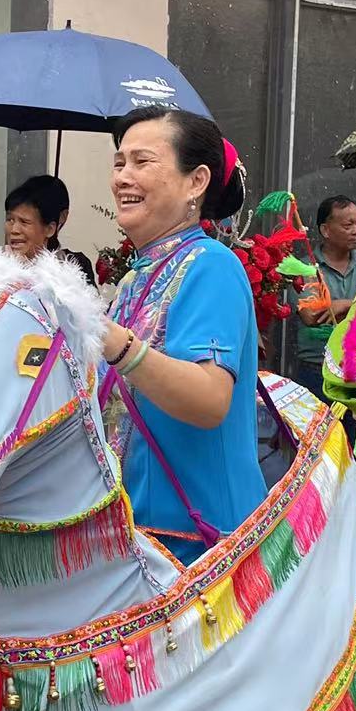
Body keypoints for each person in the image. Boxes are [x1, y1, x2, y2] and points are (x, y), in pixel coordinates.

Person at [99, 106, 267, 566]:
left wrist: (116, 344)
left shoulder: (211, 265)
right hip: (138, 539)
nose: (123, 177)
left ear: (196, 181)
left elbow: (209, 399)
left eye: (142, 162)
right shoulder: (134, 279)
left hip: (203, 548)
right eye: (119, 163)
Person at [291, 195, 356, 403]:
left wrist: (344, 305)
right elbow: (311, 314)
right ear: (325, 230)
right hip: (316, 370)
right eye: (348, 225)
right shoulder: (304, 268)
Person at [3, 173, 96, 283]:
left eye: (24, 222)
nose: (14, 230)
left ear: (50, 229)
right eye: (10, 220)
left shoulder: (73, 267)